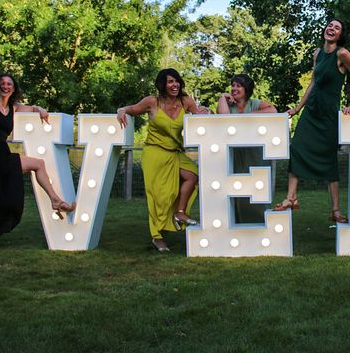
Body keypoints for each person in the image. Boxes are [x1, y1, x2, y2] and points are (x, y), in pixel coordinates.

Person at [0, 73, 75, 250]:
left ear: (13, 88)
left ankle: (55, 200)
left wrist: (40, 109)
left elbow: (32, 108)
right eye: (2, 83)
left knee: (38, 164)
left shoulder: (13, 108)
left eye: (9, 84)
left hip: (1, 154)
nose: (5, 86)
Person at [273, 18, 350, 223]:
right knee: (296, 148)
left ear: (341, 35)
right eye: (330, 25)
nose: (331, 29)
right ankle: (291, 198)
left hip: (328, 115)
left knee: (329, 158)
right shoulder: (317, 53)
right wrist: (298, 108)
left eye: (337, 28)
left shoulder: (342, 54)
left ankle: (335, 211)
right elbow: (313, 83)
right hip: (311, 112)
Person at [117, 68, 209, 252]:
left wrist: (206, 111)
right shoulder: (152, 102)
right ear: (162, 85)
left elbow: (200, 114)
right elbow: (132, 109)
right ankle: (157, 236)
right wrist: (122, 109)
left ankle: (180, 212)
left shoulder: (186, 101)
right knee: (158, 196)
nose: (174, 85)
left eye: (176, 81)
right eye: (170, 82)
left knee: (193, 175)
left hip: (174, 152)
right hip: (154, 153)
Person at [216, 74, 277, 223]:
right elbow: (223, 116)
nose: (234, 88)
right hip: (236, 153)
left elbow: (273, 111)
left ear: (246, 89)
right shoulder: (229, 105)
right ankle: (239, 221)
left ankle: (260, 221)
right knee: (237, 188)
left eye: (238, 85)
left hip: (255, 153)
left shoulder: (254, 103)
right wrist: (222, 97)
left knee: (258, 188)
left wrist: (247, 115)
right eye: (233, 85)